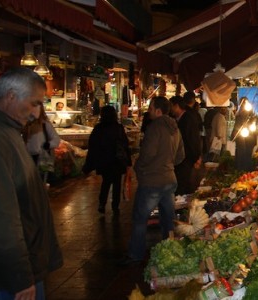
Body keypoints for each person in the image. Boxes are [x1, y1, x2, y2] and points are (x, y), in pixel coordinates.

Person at [0, 67, 63, 299]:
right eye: (34, 103)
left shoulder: (9, 131)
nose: (37, 112)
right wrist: (20, 277)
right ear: (11, 96)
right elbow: (2, 217)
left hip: (22, 269)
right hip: (10, 278)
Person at [123, 96, 184, 265]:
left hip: (153, 181)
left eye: (150, 108)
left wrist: (139, 168)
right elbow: (181, 156)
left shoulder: (154, 128)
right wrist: (168, 164)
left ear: (158, 111)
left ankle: (135, 254)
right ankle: (170, 252)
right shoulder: (175, 128)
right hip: (170, 179)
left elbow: (147, 154)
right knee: (168, 220)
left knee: (140, 219)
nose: (148, 111)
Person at [82, 106, 132, 214]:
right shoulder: (118, 128)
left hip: (104, 161)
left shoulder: (99, 128)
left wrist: (89, 164)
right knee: (117, 184)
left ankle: (102, 203)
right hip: (117, 160)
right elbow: (125, 144)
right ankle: (115, 206)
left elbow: (93, 146)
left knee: (106, 182)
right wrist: (128, 161)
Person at [170, 95, 202, 195]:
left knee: (184, 184)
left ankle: (182, 206)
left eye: (171, 106)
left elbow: (193, 139)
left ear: (176, 106)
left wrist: (196, 158)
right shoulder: (177, 119)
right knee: (181, 183)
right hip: (181, 158)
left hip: (186, 158)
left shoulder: (188, 119)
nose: (170, 109)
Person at [23, 107, 61, 180]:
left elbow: (56, 139)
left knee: (40, 180)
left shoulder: (44, 124)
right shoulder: (24, 123)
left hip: (40, 157)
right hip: (26, 156)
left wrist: (48, 145)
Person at [233, 97, 257, 171]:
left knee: (248, 154)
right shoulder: (238, 114)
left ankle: (247, 170)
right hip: (241, 137)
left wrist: (253, 121)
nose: (244, 104)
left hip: (250, 136)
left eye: (245, 102)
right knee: (241, 153)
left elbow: (254, 121)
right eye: (242, 103)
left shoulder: (251, 113)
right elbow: (236, 125)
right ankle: (240, 171)